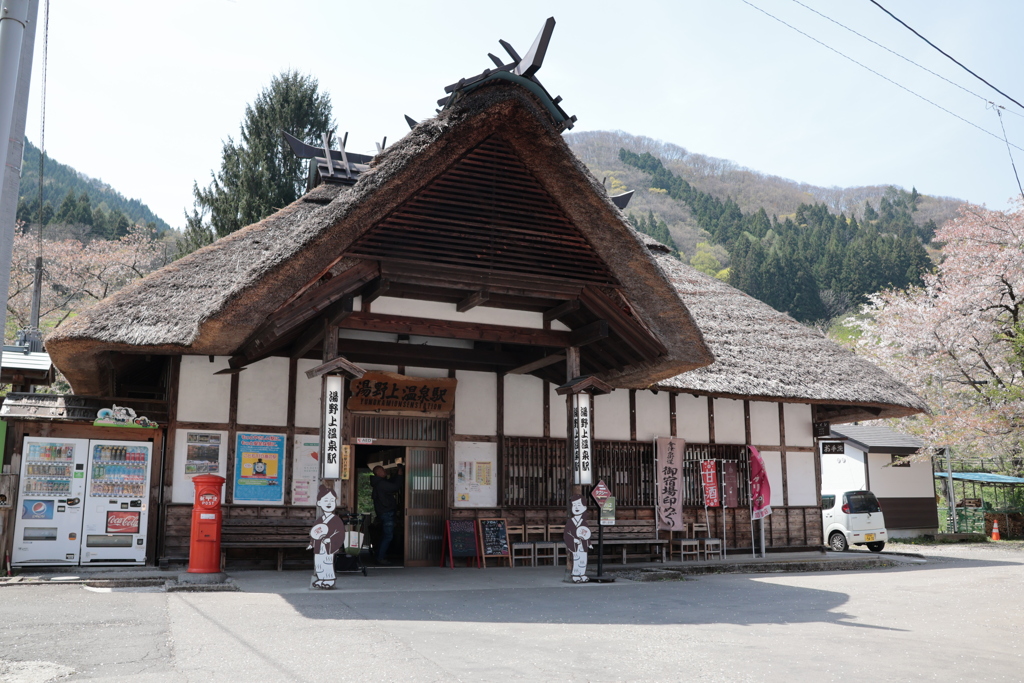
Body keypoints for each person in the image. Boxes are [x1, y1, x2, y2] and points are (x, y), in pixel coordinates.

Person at [370, 464, 404, 564]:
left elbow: (391, 482)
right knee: (388, 536)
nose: (385, 471)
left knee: (385, 535)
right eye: (383, 470)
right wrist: (400, 474)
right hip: (387, 512)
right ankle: (380, 558)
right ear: (378, 473)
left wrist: (398, 474)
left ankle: (379, 556)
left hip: (383, 512)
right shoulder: (381, 483)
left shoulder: (379, 482)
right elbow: (395, 486)